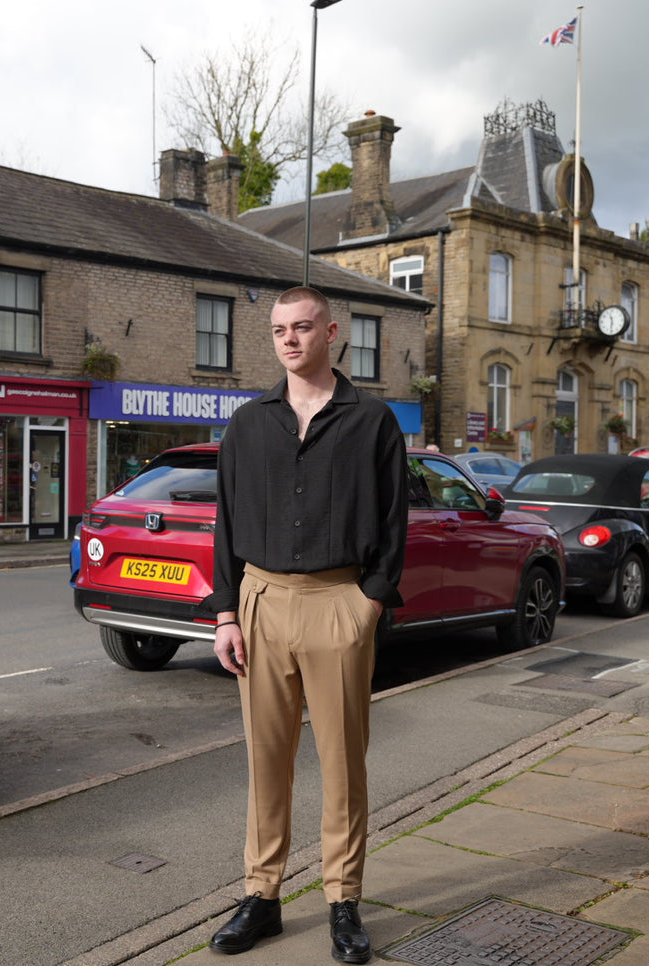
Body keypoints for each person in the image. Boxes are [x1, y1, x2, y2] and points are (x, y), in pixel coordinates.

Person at [203, 286, 407, 964]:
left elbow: (391, 524)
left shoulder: (371, 420)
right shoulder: (248, 421)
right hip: (260, 603)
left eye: (301, 327)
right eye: (278, 330)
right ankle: (261, 897)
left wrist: (366, 604)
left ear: (331, 331)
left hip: (337, 603)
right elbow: (226, 521)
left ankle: (342, 902)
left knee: (342, 764)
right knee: (267, 762)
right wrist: (226, 613)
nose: (289, 339)